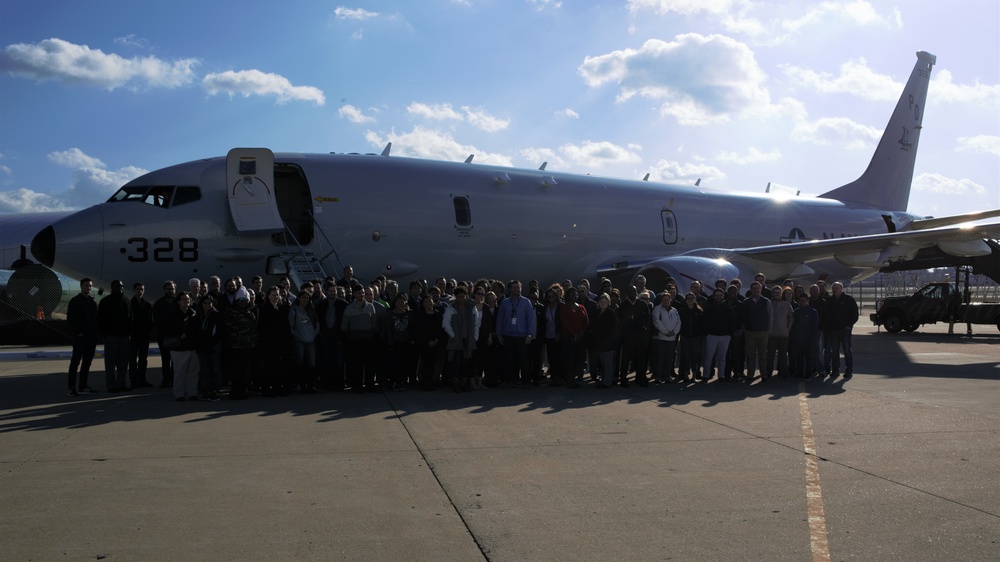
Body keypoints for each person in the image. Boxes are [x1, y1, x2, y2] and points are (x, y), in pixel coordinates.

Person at [495, 280, 536, 389]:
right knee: (509, 360)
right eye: (514, 287)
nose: (516, 289)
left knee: (524, 360)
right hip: (507, 335)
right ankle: (510, 381)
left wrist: (530, 334)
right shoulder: (505, 302)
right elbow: (500, 319)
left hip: (522, 336)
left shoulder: (526, 302)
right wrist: (499, 335)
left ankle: (526, 381)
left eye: (518, 287)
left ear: (521, 289)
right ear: (510, 289)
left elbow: (531, 320)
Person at [443, 286, 481, 392]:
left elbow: (476, 323)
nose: (461, 299)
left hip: (468, 339)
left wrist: (475, 337)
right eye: (459, 297)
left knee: (466, 363)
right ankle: (456, 383)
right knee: (456, 363)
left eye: (463, 296)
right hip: (456, 340)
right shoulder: (451, 308)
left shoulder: (471, 307)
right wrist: (453, 335)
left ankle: (464, 383)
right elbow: (445, 324)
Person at [222, 287, 258, 399]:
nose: (243, 302)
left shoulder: (249, 312)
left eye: (245, 300)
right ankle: (235, 392)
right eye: (241, 300)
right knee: (237, 371)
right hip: (236, 347)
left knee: (245, 371)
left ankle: (243, 390)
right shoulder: (231, 312)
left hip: (248, 346)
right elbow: (228, 327)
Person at [67, 278, 100, 396]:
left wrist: (96, 334)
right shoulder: (75, 301)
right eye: (86, 286)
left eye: (90, 286)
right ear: (81, 286)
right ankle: (71, 388)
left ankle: (83, 386)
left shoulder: (92, 302)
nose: (89, 288)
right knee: (75, 363)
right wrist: (78, 332)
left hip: (91, 338)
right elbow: (70, 319)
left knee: (87, 363)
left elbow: (95, 320)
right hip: (80, 338)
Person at [97, 279, 132, 392]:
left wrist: (129, 333)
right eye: (117, 286)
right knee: (110, 363)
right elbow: (100, 319)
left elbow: (131, 318)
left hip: (124, 336)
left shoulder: (127, 300)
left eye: (121, 286)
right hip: (111, 336)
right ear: (112, 288)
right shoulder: (105, 301)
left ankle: (121, 383)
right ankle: (111, 385)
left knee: (123, 363)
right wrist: (104, 334)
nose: (120, 288)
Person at [341, 284, 378, 392]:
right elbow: (344, 326)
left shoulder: (370, 307)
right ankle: (357, 386)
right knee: (357, 365)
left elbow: (374, 323)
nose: (361, 295)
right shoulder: (349, 308)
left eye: (362, 293)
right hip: (355, 341)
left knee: (369, 364)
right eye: (358, 293)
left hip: (368, 340)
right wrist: (352, 335)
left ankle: (370, 384)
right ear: (354, 294)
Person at [169, 291, 201, 401]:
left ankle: (192, 392)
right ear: (178, 302)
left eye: (188, 299)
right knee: (179, 372)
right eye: (183, 299)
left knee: (193, 371)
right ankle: (179, 393)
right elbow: (166, 329)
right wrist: (178, 335)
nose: (186, 301)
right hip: (179, 348)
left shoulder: (194, 313)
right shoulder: (173, 314)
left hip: (192, 346)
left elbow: (198, 330)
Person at [825, 282, 859, 380]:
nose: (835, 289)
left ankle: (849, 370)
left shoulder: (849, 300)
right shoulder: (829, 300)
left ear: (841, 289)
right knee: (834, 351)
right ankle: (835, 370)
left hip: (845, 330)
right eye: (833, 288)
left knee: (847, 351)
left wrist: (849, 326)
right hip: (833, 331)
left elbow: (854, 314)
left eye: (837, 288)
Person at [557, 286, 589, 388]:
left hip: (580, 338)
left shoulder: (581, 307)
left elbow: (586, 321)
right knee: (569, 360)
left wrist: (581, 333)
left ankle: (574, 379)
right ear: (567, 296)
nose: (573, 296)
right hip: (568, 338)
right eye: (571, 294)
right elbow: (565, 322)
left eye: (575, 294)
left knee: (578, 359)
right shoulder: (564, 307)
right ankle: (569, 381)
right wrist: (573, 334)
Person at [383, 293, 416, 391]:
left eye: (403, 302)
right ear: (395, 303)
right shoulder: (390, 314)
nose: (401, 304)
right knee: (394, 364)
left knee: (405, 363)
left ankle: (402, 381)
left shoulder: (409, 314)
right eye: (399, 302)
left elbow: (412, 328)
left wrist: (413, 338)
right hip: (394, 343)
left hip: (406, 342)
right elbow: (387, 329)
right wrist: (389, 343)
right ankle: (394, 381)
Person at [702, 288, 736, 382]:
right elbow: (704, 322)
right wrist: (707, 334)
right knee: (708, 357)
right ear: (713, 296)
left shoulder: (728, 308)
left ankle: (721, 376)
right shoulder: (709, 308)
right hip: (711, 336)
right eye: (716, 295)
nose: (718, 297)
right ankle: (706, 376)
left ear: (723, 296)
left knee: (722, 358)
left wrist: (729, 334)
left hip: (725, 336)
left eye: (720, 295)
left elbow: (732, 322)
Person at [289, 290, 320, 393]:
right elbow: (291, 326)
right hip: (299, 341)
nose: (305, 299)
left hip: (310, 340)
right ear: (299, 298)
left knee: (312, 363)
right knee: (300, 363)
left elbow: (317, 324)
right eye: (303, 297)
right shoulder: (294, 311)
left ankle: (310, 385)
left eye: (307, 298)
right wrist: (297, 335)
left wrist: (314, 334)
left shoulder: (311, 310)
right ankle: (302, 385)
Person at [742, 281, 772, 382]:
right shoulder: (746, 302)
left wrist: (769, 329)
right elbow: (743, 317)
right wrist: (744, 330)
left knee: (763, 355)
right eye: (754, 288)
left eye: (757, 288)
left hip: (763, 332)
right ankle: (750, 374)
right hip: (750, 332)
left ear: (760, 289)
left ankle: (764, 375)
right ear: (751, 290)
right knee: (751, 355)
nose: (756, 290)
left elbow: (769, 316)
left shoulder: (766, 301)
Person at [196, 295, 223, 401]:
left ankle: (216, 391)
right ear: (201, 304)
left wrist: (212, 342)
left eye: (209, 303)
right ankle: (205, 390)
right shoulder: (198, 315)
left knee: (216, 369)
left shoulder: (216, 315)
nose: (207, 305)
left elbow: (220, 332)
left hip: (214, 347)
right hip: (202, 347)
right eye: (205, 303)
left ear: (212, 304)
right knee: (204, 370)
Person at [589, 293, 618, 388]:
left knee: (608, 363)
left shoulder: (610, 313)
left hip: (608, 344)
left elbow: (612, 329)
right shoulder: (596, 312)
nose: (603, 303)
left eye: (605, 302)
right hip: (599, 343)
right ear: (598, 302)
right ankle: (606, 380)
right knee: (603, 363)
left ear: (608, 303)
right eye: (601, 302)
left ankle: (607, 382)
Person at [128, 282, 154, 389]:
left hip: (144, 336)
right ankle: (133, 380)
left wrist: (149, 331)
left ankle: (142, 379)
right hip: (134, 336)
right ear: (134, 290)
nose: (140, 291)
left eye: (142, 289)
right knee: (132, 359)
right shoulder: (130, 304)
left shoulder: (147, 305)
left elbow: (150, 320)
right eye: (138, 289)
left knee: (143, 359)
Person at [651, 292, 681, 383]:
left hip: (671, 339)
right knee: (660, 358)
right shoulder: (657, 309)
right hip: (660, 338)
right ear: (661, 300)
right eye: (664, 300)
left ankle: (667, 376)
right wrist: (666, 332)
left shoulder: (674, 310)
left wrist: (674, 332)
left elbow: (679, 322)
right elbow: (657, 322)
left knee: (669, 359)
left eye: (668, 299)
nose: (666, 301)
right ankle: (658, 377)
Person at [152, 280, 177, 388]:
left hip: (176, 336)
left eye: (172, 289)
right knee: (165, 359)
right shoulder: (159, 303)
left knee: (175, 360)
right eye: (168, 289)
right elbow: (156, 320)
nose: (170, 291)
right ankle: (166, 380)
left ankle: (175, 379)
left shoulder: (178, 301)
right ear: (164, 290)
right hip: (164, 336)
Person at [766, 285, 795, 379]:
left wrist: (788, 329)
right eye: (774, 292)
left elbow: (791, 318)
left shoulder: (786, 305)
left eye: (778, 292)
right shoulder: (768, 303)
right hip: (771, 335)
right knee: (770, 355)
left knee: (783, 355)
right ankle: (768, 372)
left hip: (783, 335)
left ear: (781, 293)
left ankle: (783, 372)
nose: (776, 294)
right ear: (772, 293)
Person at [677, 292, 705, 382]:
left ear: (694, 299)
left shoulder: (699, 311)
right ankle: (685, 375)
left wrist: (700, 334)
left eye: (692, 298)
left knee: (695, 357)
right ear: (686, 300)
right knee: (685, 356)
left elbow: (702, 324)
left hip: (696, 337)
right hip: (685, 336)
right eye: (688, 298)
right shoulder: (681, 311)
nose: (690, 300)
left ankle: (694, 375)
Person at [789, 294, 819, 378]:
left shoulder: (812, 312)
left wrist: (812, 338)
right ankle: (799, 373)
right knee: (799, 357)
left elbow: (814, 326)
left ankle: (808, 374)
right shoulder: (796, 311)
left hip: (808, 339)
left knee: (809, 358)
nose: (802, 302)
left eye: (804, 301)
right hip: (797, 339)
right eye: (800, 301)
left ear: (807, 301)